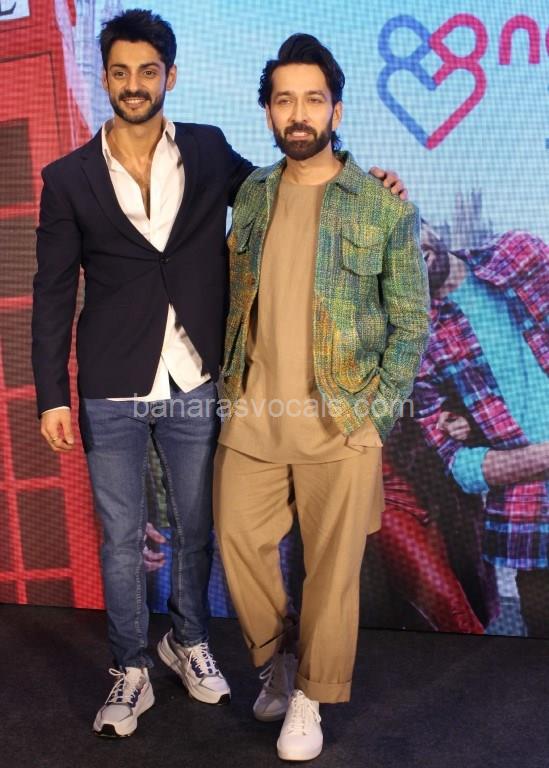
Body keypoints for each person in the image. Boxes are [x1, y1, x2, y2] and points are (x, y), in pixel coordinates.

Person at [32, 10, 405, 739]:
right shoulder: (67, 177)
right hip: (111, 381)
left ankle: (191, 640)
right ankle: (130, 668)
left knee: (199, 528)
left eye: (147, 71)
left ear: (170, 76)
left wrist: (372, 179)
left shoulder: (206, 150)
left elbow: (290, 183)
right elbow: (49, 293)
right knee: (121, 536)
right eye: (120, 72)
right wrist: (50, 394)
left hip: (197, 379)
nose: (134, 85)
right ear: (104, 79)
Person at [213, 34, 430, 761]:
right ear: (268, 112)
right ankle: (279, 664)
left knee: (332, 574)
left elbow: (410, 323)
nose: (298, 114)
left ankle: (310, 696)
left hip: (341, 421)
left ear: (336, 110)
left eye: (312, 100)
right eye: (284, 101)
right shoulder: (251, 193)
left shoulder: (381, 207)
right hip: (254, 414)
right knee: (237, 541)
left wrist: (375, 415)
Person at [414, 222, 549, 636]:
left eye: (406, 229)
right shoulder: (418, 343)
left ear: (429, 225)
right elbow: (462, 467)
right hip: (535, 529)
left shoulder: (520, 254)